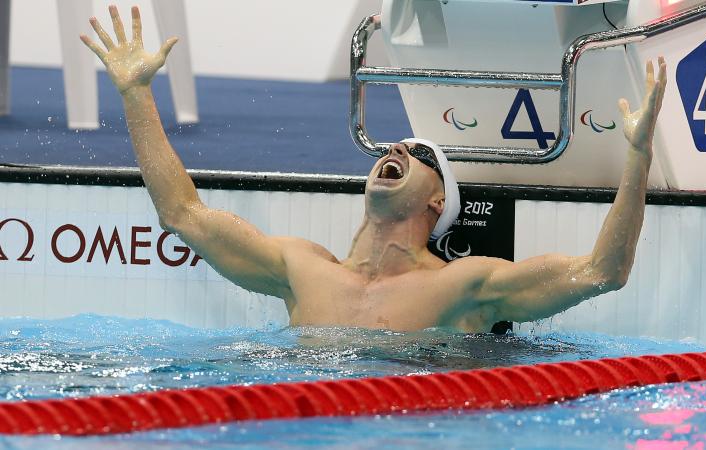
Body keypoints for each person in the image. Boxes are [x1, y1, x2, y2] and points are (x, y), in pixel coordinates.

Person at [81, 6, 667, 332]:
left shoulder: (462, 287)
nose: (399, 152)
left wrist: (638, 157)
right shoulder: (298, 267)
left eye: (421, 156)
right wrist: (135, 95)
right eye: (395, 148)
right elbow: (182, 213)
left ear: (439, 203)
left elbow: (601, 273)